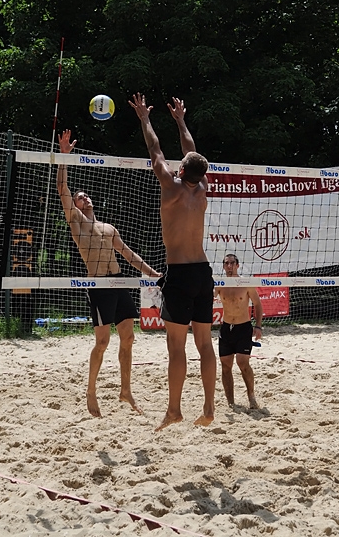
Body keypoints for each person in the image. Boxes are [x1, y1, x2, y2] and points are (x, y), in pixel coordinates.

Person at [57, 129, 161, 418]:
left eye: (86, 195)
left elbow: (128, 254)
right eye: (80, 197)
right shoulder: (76, 222)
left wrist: (153, 273)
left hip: (119, 282)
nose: (84, 198)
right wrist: (64, 158)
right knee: (102, 342)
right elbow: (62, 189)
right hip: (99, 285)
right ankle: (91, 390)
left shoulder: (108, 228)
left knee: (128, 338)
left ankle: (125, 390)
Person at [129, 93, 216, 430]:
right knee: (205, 344)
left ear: (181, 170)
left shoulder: (171, 185)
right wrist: (181, 121)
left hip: (179, 274)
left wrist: (144, 118)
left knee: (176, 346)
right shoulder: (202, 187)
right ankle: (208, 407)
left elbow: (155, 151)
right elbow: (191, 152)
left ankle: (175, 409)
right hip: (203, 272)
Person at [215, 254, 263, 409]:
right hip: (226, 328)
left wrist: (258, 326)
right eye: (226, 263)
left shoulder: (245, 283)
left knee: (243, 363)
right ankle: (231, 402)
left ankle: (251, 397)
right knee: (226, 365)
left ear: (237, 265)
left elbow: (258, 304)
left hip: (243, 328)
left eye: (232, 263)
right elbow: (208, 298)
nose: (229, 266)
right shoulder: (220, 284)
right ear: (223, 266)